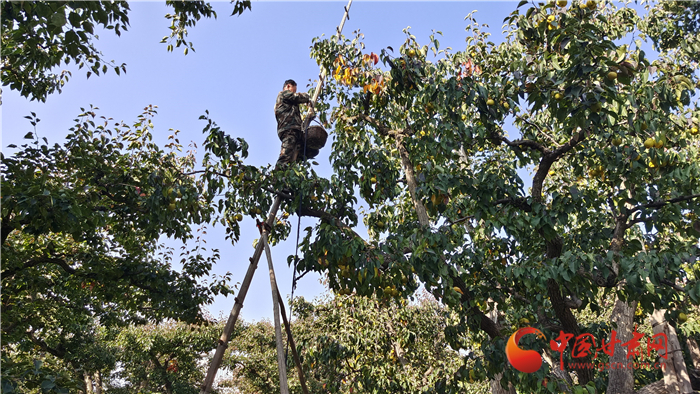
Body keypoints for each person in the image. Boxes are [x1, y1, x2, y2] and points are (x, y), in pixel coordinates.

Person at [275, 79, 311, 168]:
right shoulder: (283, 94)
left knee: (295, 156)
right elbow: (297, 97)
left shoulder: (291, 104)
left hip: (294, 130)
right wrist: (307, 96)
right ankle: (276, 178)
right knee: (285, 156)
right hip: (289, 130)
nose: (294, 92)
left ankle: (289, 175)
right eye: (293, 90)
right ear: (288, 86)